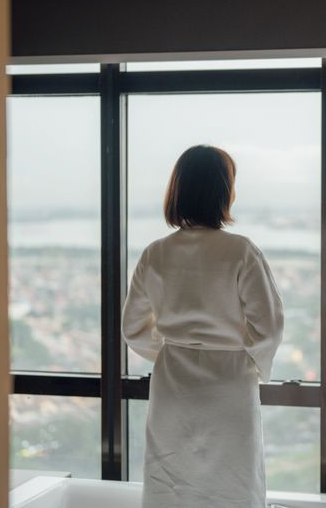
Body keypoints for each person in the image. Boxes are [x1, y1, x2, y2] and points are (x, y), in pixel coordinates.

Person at [122, 144, 285, 508]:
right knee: (233, 481)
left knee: (171, 480)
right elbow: (269, 327)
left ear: (177, 190)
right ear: (224, 192)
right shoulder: (241, 251)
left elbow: (132, 328)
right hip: (229, 383)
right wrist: (247, 358)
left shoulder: (155, 253)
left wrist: (169, 351)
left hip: (173, 381)